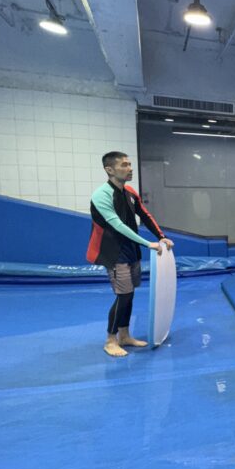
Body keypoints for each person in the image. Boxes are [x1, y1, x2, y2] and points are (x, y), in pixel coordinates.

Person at [87, 151, 173, 358]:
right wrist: (148, 243)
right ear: (109, 170)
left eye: (130, 164)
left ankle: (124, 335)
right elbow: (116, 225)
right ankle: (110, 340)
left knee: (130, 294)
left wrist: (161, 237)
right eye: (124, 165)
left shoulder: (130, 192)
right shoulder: (101, 195)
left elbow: (145, 215)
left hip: (131, 250)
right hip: (114, 252)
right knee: (123, 295)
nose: (130, 168)